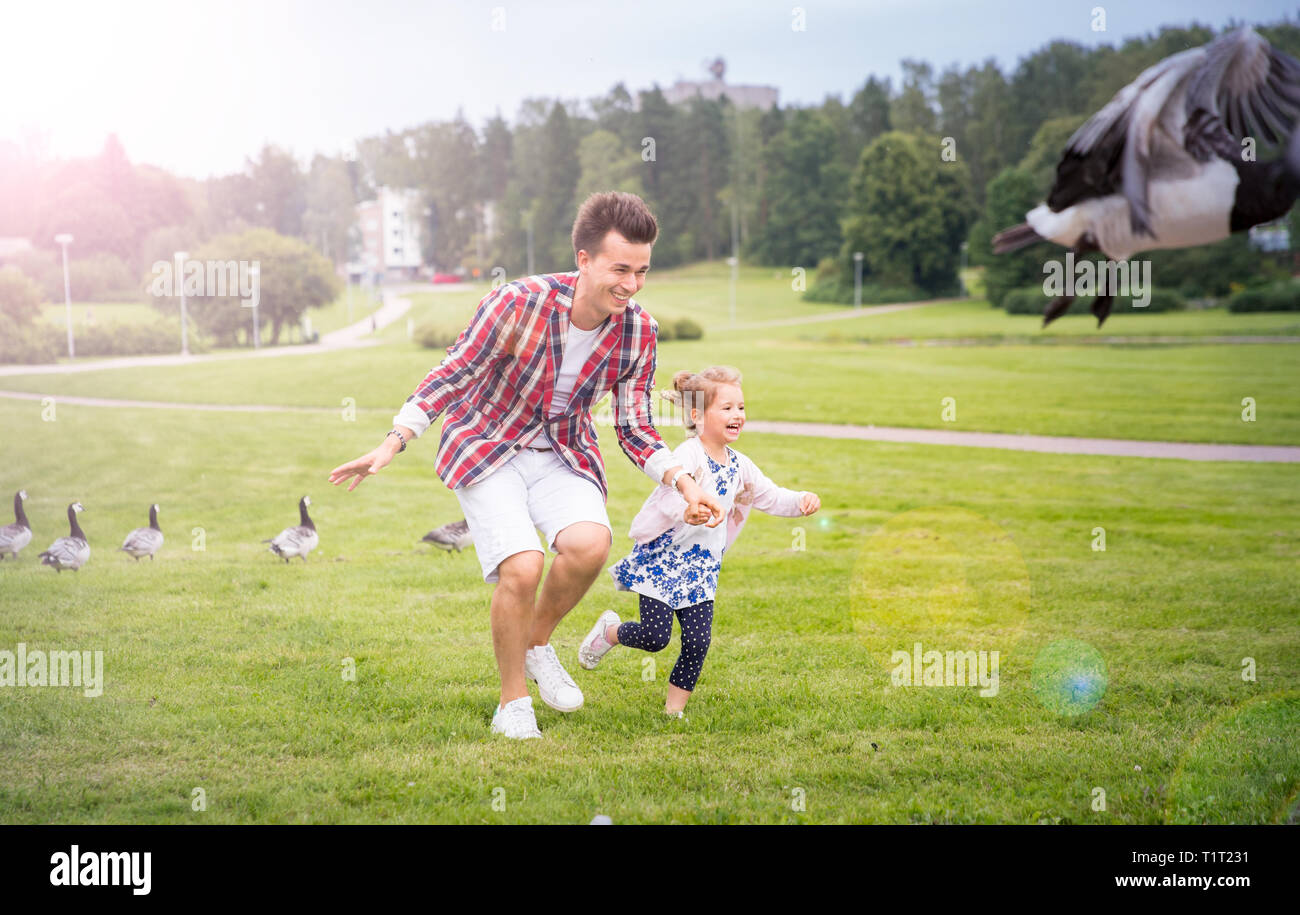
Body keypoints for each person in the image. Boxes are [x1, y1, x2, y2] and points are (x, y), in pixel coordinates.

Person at [328, 192, 723, 739]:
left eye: (641, 271)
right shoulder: (518, 303)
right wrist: (394, 440)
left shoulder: (638, 332)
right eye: (619, 269)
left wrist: (683, 484)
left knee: (589, 546)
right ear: (584, 260)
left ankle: (536, 645)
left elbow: (635, 426)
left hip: (562, 451)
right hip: (486, 444)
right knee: (522, 566)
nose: (631, 284)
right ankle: (512, 701)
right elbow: (455, 371)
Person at [577, 366, 821, 716]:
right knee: (655, 637)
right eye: (726, 408)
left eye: (740, 407)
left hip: (701, 569)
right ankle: (610, 632)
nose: (737, 414)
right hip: (663, 560)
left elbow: (768, 495)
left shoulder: (741, 465)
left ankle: (673, 713)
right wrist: (686, 511)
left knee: (697, 642)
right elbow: (669, 495)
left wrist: (800, 501)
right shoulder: (689, 453)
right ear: (697, 415)